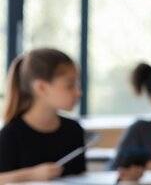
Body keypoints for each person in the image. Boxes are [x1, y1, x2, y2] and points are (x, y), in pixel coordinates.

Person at [0, 48, 86, 179]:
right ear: (41, 88)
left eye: (77, 84)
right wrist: (31, 175)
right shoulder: (12, 134)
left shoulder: (74, 130)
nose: (78, 92)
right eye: (70, 85)